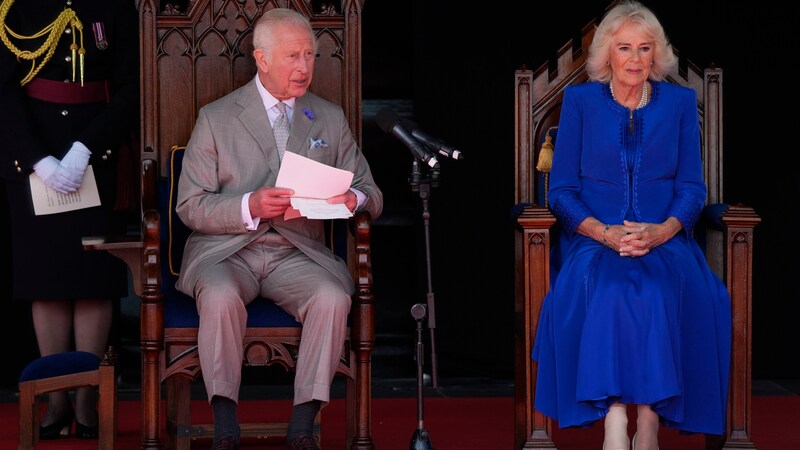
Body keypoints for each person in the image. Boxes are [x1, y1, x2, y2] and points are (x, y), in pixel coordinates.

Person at [174, 7, 383, 450]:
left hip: (298, 253)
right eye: (292, 56)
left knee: (332, 297)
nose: (304, 67)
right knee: (221, 295)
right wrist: (248, 204)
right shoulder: (217, 116)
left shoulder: (327, 116)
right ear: (262, 59)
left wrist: (353, 199)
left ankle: (303, 426)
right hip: (227, 250)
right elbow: (189, 205)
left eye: (310, 55)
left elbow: (371, 191)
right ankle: (225, 425)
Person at [530, 2, 731, 450]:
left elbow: (693, 188)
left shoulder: (679, 103)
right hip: (593, 240)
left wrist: (661, 231)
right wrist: (605, 232)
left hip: (665, 240)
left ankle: (650, 421)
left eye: (645, 48)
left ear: (657, 55)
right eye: (625, 48)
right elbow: (560, 191)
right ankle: (616, 419)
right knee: (609, 291)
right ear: (607, 55)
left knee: (660, 292)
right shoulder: (580, 102)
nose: (636, 59)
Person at [0, 0, 139, 441]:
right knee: (47, 279)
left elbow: (131, 86)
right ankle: (54, 396)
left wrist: (85, 149)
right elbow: (2, 89)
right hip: (32, 154)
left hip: (98, 151)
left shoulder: (116, 5)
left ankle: (86, 395)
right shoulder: (14, 6)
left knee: (93, 274)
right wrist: (38, 159)